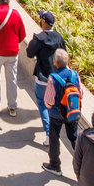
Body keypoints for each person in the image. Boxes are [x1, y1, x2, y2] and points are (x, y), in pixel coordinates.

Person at [27, 10, 67, 139]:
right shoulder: (59, 38)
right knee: (54, 105)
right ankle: (54, 130)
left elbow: (29, 53)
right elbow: (64, 55)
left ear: (43, 21)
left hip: (43, 79)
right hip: (57, 79)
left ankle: (49, 134)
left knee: (42, 103)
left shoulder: (39, 38)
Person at [45, 46, 83, 175]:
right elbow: (81, 93)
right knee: (73, 137)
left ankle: (54, 165)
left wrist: (50, 107)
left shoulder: (53, 78)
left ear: (56, 62)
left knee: (54, 137)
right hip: (72, 111)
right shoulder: (75, 75)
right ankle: (83, 165)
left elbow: (49, 100)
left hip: (56, 114)